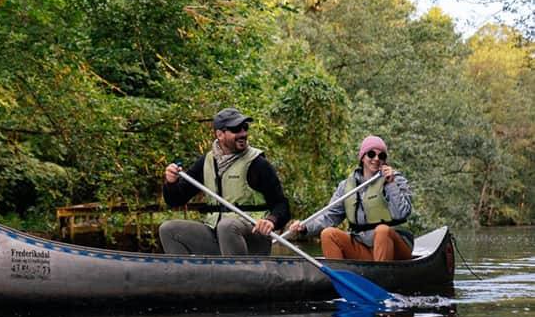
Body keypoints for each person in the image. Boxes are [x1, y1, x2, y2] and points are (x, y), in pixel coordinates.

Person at [159, 107, 290, 256]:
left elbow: (282, 205)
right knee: (168, 229)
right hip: (216, 235)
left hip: (252, 237)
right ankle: (187, 274)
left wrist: (271, 221)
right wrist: (171, 182)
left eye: (245, 128)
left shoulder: (258, 164)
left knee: (227, 226)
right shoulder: (206, 162)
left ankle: (240, 273)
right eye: (235, 130)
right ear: (220, 135)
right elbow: (175, 200)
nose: (243, 134)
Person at [290, 135, 413, 261]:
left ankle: (381, 279)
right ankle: (340, 278)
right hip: (363, 245)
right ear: (363, 157)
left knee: (382, 231)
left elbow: (401, 213)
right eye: (371, 154)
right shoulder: (346, 186)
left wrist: (391, 184)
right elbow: (329, 216)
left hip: (394, 248)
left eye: (381, 156)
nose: (376, 159)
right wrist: (306, 227)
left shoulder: (396, 180)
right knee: (328, 234)